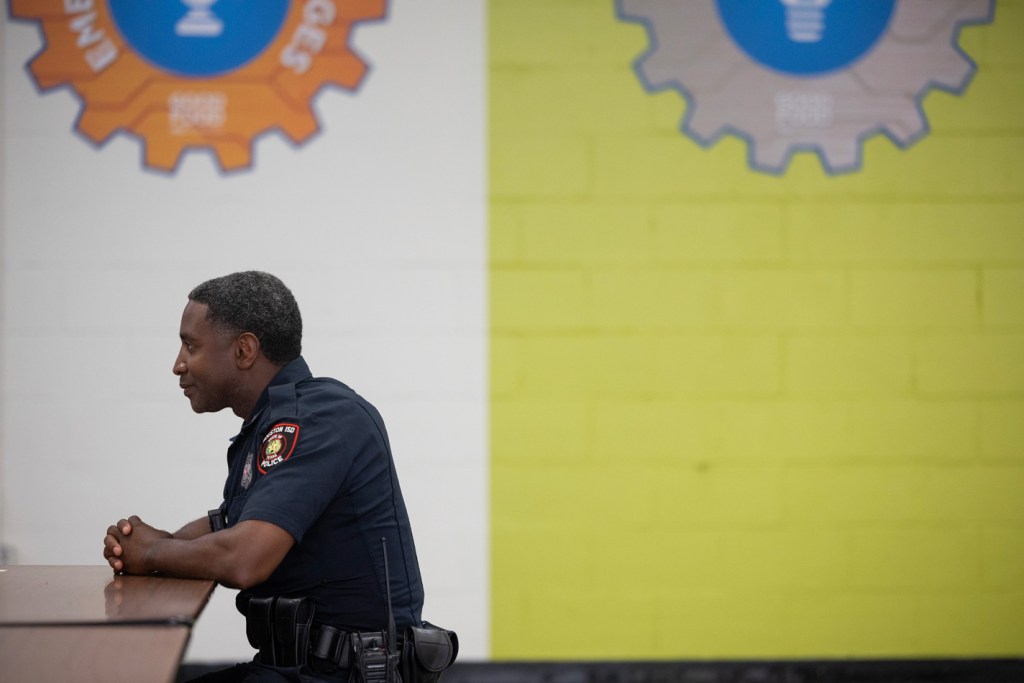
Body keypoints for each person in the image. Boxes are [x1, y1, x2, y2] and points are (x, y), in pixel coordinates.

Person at [103, 271, 424, 682]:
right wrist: (155, 542)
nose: (178, 364)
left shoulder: (320, 418)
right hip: (298, 669)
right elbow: (229, 523)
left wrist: (151, 554)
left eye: (191, 345)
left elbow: (244, 559)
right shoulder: (275, 421)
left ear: (244, 350)